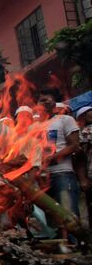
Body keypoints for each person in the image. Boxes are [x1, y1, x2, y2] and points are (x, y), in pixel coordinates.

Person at [38, 89, 81, 237]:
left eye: (50, 98)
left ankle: (77, 247)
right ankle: (61, 250)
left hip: (63, 173)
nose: (48, 101)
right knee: (52, 218)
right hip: (43, 177)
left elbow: (74, 145)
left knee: (68, 214)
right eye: (43, 100)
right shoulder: (34, 126)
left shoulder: (65, 120)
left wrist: (53, 157)